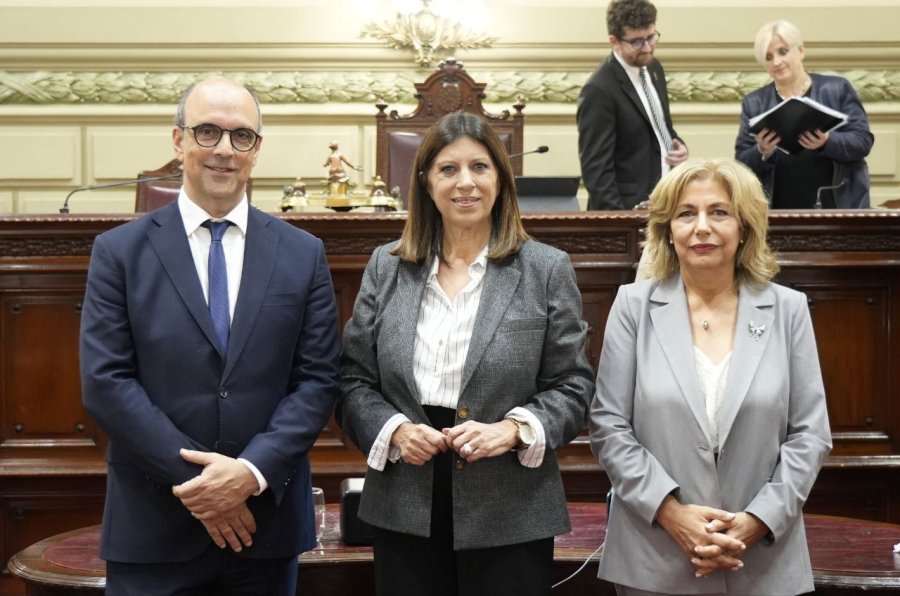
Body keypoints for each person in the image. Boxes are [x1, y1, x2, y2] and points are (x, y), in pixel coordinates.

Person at [80, 77, 341, 595]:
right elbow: (105, 382)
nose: (224, 149)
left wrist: (249, 472)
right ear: (177, 140)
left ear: (257, 150)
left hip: (263, 528)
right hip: (154, 528)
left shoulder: (302, 253)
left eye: (241, 136)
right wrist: (203, 487)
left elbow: (318, 380)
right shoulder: (119, 252)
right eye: (207, 132)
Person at [337, 111, 594, 596]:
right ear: (426, 182)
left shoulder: (545, 269)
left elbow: (574, 386)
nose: (465, 183)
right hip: (404, 499)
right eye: (448, 169)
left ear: (501, 179)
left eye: (480, 167)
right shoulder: (385, 267)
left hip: (510, 503)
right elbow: (353, 380)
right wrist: (394, 431)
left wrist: (514, 429)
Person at [589, 157, 832, 595]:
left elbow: (810, 434)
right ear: (667, 230)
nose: (702, 227)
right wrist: (671, 513)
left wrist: (756, 522)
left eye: (719, 212)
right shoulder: (633, 306)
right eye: (686, 214)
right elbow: (609, 427)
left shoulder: (788, 309)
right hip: (656, 557)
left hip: (762, 561)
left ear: (745, 226)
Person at [735, 20, 874, 209]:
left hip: (838, 208)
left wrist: (827, 141)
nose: (777, 62)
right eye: (768, 57)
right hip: (779, 211)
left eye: (783, 51)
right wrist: (762, 151)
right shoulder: (754, 103)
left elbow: (863, 142)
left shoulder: (837, 89)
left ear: (800, 50)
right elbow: (741, 163)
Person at [577, 0, 688, 210]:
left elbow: (659, 126)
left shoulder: (654, 68)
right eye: (637, 42)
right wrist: (619, 223)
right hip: (629, 209)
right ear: (614, 41)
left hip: (664, 199)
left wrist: (677, 144)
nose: (647, 47)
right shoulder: (598, 90)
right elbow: (597, 171)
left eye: (651, 37)